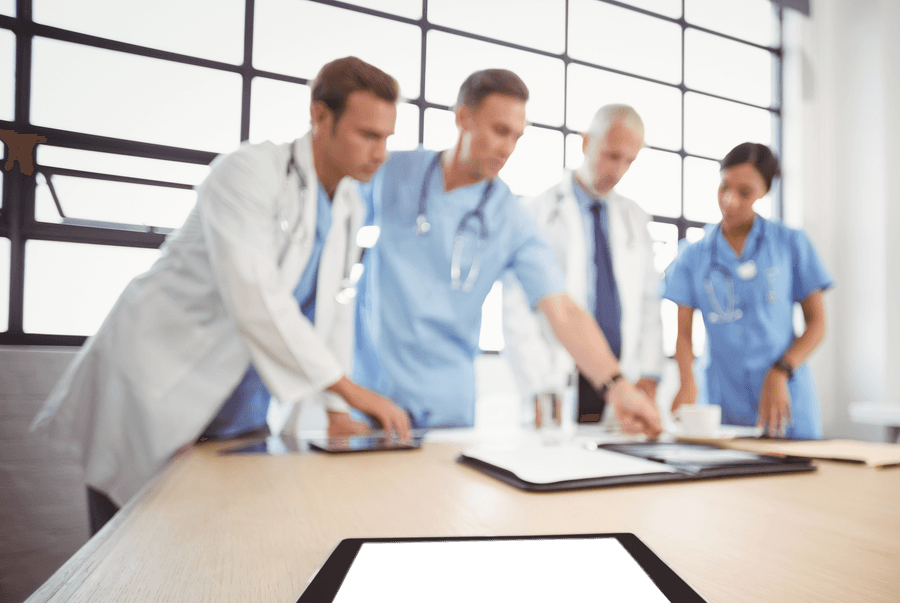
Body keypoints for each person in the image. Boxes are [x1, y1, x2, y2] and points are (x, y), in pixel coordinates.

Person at [33, 57, 411, 534]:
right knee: (127, 556)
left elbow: (329, 312)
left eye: (387, 138)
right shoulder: (248, 172)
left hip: (238, 409)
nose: (380, 153)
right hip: (160, 380)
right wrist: (351, 391)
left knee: (223, 557)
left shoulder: (349, 203)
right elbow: (255, 295)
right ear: (319, 117)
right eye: (368, 135)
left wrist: (337, 412)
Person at [352, 69, 662, 436]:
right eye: (500, 131)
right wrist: (335, 394)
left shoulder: (511, 219)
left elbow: (562, 309)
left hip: (447, 406)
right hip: (366, 396)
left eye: (516, 137)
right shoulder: (393, 173)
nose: (507, 149)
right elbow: (333, 241)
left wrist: (618, 387)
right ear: (463, 118)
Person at [502, 104, 663, 424]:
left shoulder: (634, 218)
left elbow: (648, 301)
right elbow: (517, 305)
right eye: (612, 155)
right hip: (558, 375)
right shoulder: (538, 212)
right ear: (586, 143)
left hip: (621, 376)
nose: (617, 171)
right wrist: (538, 382)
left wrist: (649, 371)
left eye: (629, 161)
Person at [662, 142, 832, 439]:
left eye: (745, 192)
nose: (729, 201)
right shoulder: (692, 256)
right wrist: (687, 380)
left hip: (785, 395)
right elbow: (684, 335)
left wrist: (781, 370)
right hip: (722, 399)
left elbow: (817, 324)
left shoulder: (790, 244)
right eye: (724, 187)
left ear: (763, 192)